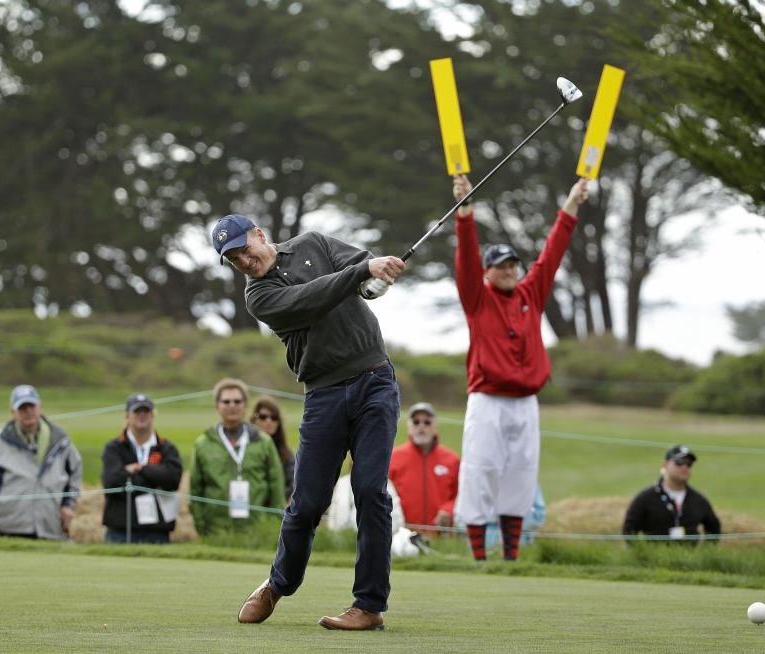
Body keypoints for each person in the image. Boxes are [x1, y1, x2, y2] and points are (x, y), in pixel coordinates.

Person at [213, 213, 405, 631]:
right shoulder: (258, 297)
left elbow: (363, 268)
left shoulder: (314, 243)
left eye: (245, 249)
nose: (244, 261)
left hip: (376, 381)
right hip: (325, 394)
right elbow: (313, 298)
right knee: (307, 504)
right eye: (234, 260)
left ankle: (369, 606)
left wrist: (377, 275)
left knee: (371, 491)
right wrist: (360, 272)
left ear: (260, 235)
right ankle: (277, 584)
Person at [450, 174, 589, 561]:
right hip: (487, 400)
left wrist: (572, 204)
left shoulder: (531, 293)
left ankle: (510, 557)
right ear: (488, 271)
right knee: (480, 472)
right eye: (502, 265)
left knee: (521, 476)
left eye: (514, 264)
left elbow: (553, 252)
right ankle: (479, 556)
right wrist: (465, 212)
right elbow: (465, 257)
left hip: (526, 401)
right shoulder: (477, 298)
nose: (511, 270)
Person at [0, 384, 82, 540]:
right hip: (12, 523)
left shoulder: (60, 440)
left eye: (31, 406)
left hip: (51, 523)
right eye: (22, 408)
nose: (28, 412)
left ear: (40, 406)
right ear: (13, 412)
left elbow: (75, 471)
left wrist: (68, 505)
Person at [189, 378, 286, 535]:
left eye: (237, 401)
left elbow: (276, 487)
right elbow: (195, 489)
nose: (232, 405)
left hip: (257, 530)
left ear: (245, 405)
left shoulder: (263, 442)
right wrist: (202, 526)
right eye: (226, 401)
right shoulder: (203, 444)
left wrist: (272, 525)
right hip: (216, 530)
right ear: (217, 406)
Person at [101, 393, 183, 544]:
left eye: (146, 412)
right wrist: (154, 480)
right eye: (137, 412)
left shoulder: (166, 448)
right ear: (127, 416)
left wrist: (140, 468)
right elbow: (112, 482)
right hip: (120, 530)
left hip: (157, 531)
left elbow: (172, 480)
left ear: (152, 415)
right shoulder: (114, 448)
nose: (142, 416)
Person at [622, 445, 721, 545]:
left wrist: (704, 555)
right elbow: (629, 531)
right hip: (655, 559)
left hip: (690, 559)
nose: (685, 467)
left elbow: (714, 528)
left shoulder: (699, 500)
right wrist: (642, 555)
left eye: (689, 463)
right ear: (665, 465)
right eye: (679, 462)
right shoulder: (645, 498)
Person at [388, 402, 460, 533]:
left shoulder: (452, 459)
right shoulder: (393, 458)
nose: (421, 426)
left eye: (427, 422)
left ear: (435, 426)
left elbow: (460, 494)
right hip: (402, 536)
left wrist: (448, 510)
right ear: (409, 426)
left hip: (441, 538)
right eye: (416, 422)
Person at [250, 395, 295, 501]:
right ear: (255, 418)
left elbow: (292, 483)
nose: (268, 421)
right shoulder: (244, 447)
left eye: (274, 418)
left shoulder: (286, 453)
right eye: (263, 417)